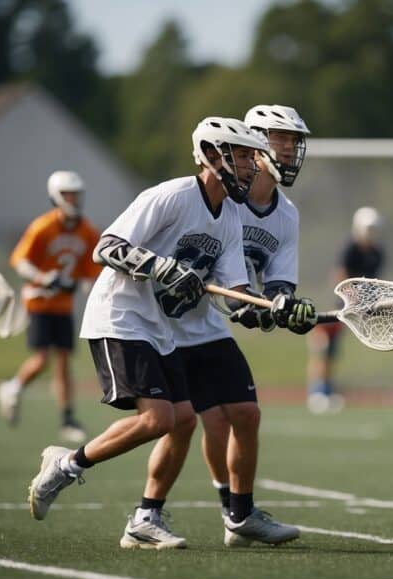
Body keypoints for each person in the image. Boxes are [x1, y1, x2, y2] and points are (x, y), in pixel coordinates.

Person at [26, 117, 269, 551]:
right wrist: (161, 266)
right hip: (119, 315)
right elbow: (107, 246)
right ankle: (65, 465)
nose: (253, 166)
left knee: (182, 420)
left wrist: (274, 310)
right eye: (245, 156)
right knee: (159, 419)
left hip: (156, 324)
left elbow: (234, 295)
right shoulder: (172, 195)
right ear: (214, 154)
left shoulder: (230, 215)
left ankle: (144, 519)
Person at [124, 105, 316, 549]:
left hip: (211, 323)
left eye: (293, 141)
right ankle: (150, 511)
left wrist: (285, 309)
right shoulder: (223, 194)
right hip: (166, 323)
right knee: (198, 421)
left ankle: (240, 515)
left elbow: (275, 285)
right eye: (280, 139)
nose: (288, 149)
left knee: (245, 414)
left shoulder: (286, 215)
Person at [0, 170, 101, 443]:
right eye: (68, 194)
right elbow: (20, 262)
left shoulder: (88, 230)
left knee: (64, 362)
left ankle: (67, 418)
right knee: (42, 359)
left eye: (77, 194)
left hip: (64, 306)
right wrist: (43, 278)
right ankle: (14, 387)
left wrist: (87, 289)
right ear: (56, 196)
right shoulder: (42, 227)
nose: (74, 199)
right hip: (39, 301)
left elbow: (92, 274)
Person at [306, 206, 384, 413]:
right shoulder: (350, 248)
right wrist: (353, 299)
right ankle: (318, 392)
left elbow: (374, 282)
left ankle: (327, 389)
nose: (370, 233)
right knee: (324, 347)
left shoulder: (377, 253)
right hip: (337, 307)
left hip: (356, 309)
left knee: (334, 351)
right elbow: (339, 276)